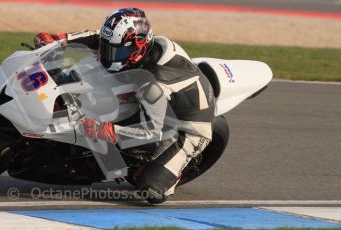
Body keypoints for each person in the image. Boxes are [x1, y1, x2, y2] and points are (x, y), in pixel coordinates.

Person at [34, 8, 215, 201]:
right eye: (107, 48)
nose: (107, 54)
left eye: (114, 51)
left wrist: (110, 131)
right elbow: (100, 37)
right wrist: (60, 39)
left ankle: (172, 172)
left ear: (136, 50)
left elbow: (152, 130)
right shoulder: (138, 46)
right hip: (159, 103)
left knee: (149, 190)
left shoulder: (155, 81)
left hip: (185, 128)